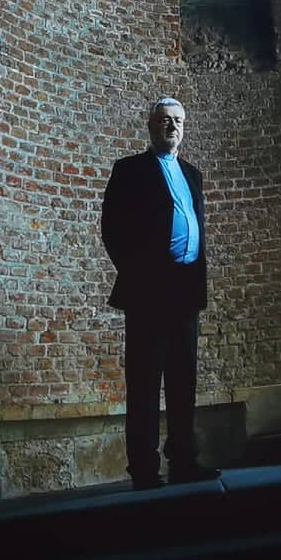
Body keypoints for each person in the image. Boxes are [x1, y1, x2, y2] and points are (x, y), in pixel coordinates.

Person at [99, 98, 217, 490]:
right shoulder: (130, 170)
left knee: (183, 380)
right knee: (146, 381)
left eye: (178, 121)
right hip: (149, 290)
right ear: (150, 126)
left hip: (185, 289)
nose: (172, 127)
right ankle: (145, 469)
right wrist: (139, 273)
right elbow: (112, 228)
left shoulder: (193, 174)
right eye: (165, 121)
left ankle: (184, 459)